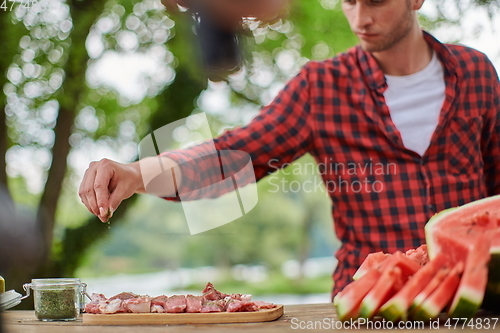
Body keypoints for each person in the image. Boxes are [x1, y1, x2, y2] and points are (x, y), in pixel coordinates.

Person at [79, 0, 500, 297]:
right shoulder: (323, 88)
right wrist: (137, 173)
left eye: (375, 1)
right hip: (367, 301)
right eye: (349, 2)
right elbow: (235, 155)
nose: (360, 18)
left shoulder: (476, 71)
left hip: (473, 294)